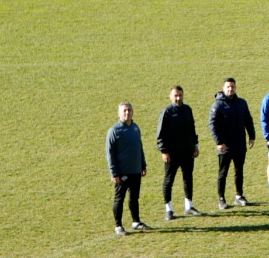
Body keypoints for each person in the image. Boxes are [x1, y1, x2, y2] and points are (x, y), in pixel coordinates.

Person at [208, 77, 255, 208]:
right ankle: (221, 199)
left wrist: (252, 136)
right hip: (225, 146)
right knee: (223, 172)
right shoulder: (217, 105)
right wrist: (219, 142)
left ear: (235, 88)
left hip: (240, 144)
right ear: (223, 89)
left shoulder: (242, 103)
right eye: (228, 87)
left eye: (232, 87)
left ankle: (239, 196)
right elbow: (212, 125)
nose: (230, 89)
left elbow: (248, 120)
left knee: (239, 171)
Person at [156, 85, 200, 220]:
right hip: (172, 154)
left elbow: (192, 128)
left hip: (187, 152)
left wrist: (195, 145)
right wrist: (164, 151)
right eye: (175, 95)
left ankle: (189, 206)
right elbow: (160, 134)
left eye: (180, 95)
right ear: (170, 96)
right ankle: (168, 209)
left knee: (188, 178)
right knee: (169, 180)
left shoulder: (187, 109)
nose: (178, 98)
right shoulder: (167, 112)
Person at [107, 101, 148, 234]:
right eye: (124, 110)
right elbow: (110, 153)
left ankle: (136, 222)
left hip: (136, 170)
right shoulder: (114, 131)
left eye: (129, 110)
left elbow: (139, 147)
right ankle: (118, 225)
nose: (127, 113)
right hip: (122, 172)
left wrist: (143, 164)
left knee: (134, 198)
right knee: (119, 199)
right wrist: (114, 173)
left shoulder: (135, 128)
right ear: (118, 114)